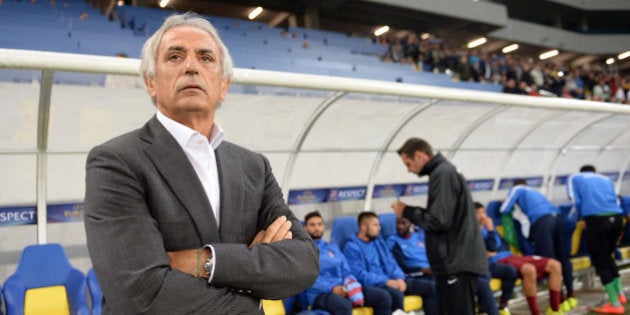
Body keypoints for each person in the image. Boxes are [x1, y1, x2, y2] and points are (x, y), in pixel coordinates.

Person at [84, 13, 319, 314]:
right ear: (151, 82)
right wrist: (252, 288)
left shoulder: (253, 166)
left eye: (206, 57)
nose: (191, 66)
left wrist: (206, 262)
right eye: (175, 56)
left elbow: (303, 263)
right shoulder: (116, 162)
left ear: (224, 85)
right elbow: (143, 295)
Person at [391, 137, 488, 315]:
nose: (408, 170)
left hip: (455, 261)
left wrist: (407, 211)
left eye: (408, 163)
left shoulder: (442, 174)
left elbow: (438, 220)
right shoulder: (443, 172)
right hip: (454, 261)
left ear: (419, 155)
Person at [387, 216, 493, 315]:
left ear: (411, 224)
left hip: (436, 272)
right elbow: (400, 267)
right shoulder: (393, 241)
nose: (400, 226)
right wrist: (424, 270)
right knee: (439, 288)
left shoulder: (420, 237)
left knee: (480, 283)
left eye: (403, 223)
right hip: (418, 275)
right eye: (397, 223)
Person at [499, 179, 576, 311]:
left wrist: (502, 203)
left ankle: (558, 304)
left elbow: (504, 208)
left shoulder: (518, 189)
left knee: (548, 262)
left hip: (543, 222)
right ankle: (571, 296)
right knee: (562, 258)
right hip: (557, 219)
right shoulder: (536, 193)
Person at [476, 202, 564, 315]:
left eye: (483, 212)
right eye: (478, 213)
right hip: (497, 261)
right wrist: (489, 229)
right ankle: (535, 312)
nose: (482, 215)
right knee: (529, 269)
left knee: (555, 264)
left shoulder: (491, 225)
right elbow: (490, 247)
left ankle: (554, 310)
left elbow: (501, 245)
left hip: (510, 256)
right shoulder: (475, 230)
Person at [343, 212, 438, 315]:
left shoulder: (378, 242)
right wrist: (386, 281)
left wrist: (399, 278)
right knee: (392, 295)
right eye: (375, 225)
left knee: (431, 287)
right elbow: (360, 275)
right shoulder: (352, 247)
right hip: (372, 284)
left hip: (391, 280)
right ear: (363, 227)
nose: (379, 228)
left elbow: (392, 263)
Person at [303, 211, 391, 315]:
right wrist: (332, 288)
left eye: (319, 224)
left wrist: (350, 283)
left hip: (344, 288)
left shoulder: (332, 247)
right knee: (343, 305)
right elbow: (307, 279)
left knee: (382, 296)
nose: (317, 228)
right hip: (321, 294)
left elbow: (347, 271)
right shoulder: (303, 251)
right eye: (312, 225)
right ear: (305, 228)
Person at [567, 165, 626, 314]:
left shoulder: (575, 177)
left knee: (600, 259)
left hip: (597, 219)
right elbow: (616, 200)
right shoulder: (606, 179)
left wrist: (582, 216)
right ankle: (620, 294)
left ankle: (615, 304)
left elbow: (574, 200)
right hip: (617, 218)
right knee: (608, 256)